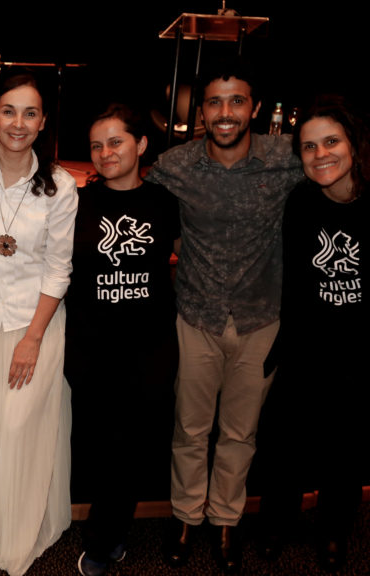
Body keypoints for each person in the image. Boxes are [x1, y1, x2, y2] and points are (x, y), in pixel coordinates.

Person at [146, 56, 304, 574]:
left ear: (254, 108)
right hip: (196, 317)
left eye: (236, 100)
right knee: (190, 430)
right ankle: (187, 516)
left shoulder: (287, 157)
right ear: (202, 112)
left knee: (240, 433)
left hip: (262, 320)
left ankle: (226, 522)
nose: (225, 111)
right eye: (214, 101)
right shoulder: (175, 165)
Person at [0, 70, 78, 576]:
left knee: (20, 432)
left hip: (35, 328)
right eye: (9, 110)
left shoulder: (62, 185)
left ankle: (13, 534)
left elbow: (58, 268)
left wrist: (31, 339)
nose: (18, 122)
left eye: (30, 113)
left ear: (43, 121)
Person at [65, 103, 180, 576]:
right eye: (97, 145)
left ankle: (105, 537)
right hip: (92, 347)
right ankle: (107, 529)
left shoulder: (164, 202)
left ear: (141, 145)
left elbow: (186, 256)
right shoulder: (76, 202)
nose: (106, 152)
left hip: (149, 346)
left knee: (130, 447)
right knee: (99, 445)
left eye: (116, 142)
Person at [256, 95, 369, 573]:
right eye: (309, 147)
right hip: (305, 344)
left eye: (330, 142)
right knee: (283, 442)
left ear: (353, 145)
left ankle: (334, 531)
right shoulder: (301, 201)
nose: (321, 154)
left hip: (359, 351)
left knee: (342, 449)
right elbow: (298, 281)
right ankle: (277, 524)